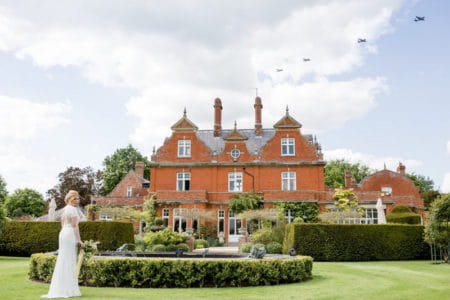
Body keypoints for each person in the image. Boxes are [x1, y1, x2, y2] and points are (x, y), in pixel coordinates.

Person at [42, 190, 85, 298]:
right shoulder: (73, 210)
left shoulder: (65, 210)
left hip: (63, 234)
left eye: (78, 198)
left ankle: (62, 288)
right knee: (69, 260)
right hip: (69, 234)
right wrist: (79, 240)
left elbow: (62, 224)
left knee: (63, 259)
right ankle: (68, 289)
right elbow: (75, 226)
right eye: (74, 198)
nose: (77, 200)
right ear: (69, 199)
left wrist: (65, 234)